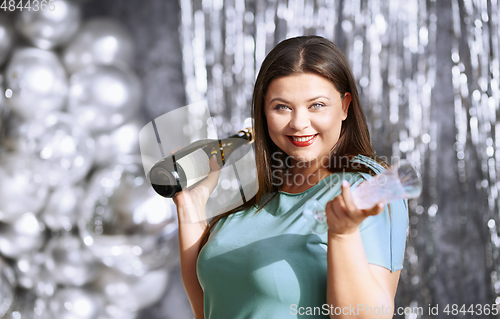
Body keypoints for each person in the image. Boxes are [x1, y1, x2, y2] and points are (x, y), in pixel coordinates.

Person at [173, 35, 409, 319]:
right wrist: (191, 206)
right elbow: (207, 307)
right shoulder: (260, 196)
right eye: (282, 107)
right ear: (264, 110)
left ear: (345, 106)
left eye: (317, 105)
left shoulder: (366, 186)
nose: (298, 123)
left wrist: (343, 233)